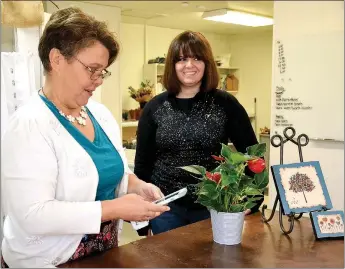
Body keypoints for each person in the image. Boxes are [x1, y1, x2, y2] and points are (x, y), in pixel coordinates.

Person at [1, 7, 169, 268]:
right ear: (56, 59)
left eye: (102, 71)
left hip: (103, 254)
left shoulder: (99, 115)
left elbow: (111, 173)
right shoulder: (28, 124)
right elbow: (31, 215)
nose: (98, 80)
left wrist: (135, 185)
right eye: (92, 69)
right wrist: (115, 209)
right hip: (48, 260)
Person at [134, 30, 263, 235]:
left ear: (207, 64)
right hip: (165, 209)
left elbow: (253, 155)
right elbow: (143, 165)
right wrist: (143, 219)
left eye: (197, 58)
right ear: (172, 65)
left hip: (214, 206)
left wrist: (253, 199)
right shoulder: (154, 108)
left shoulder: (225, 104)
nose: (189, 65)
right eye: (182, 59)